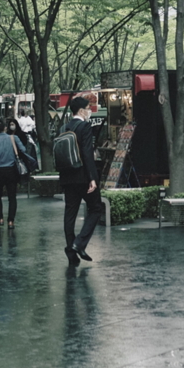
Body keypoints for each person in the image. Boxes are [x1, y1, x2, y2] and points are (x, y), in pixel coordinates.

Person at [60, 95, 103, 266]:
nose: (90, 110)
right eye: (88, 108)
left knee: (70, 214)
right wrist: (92, 178)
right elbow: (87, 153)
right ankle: (80, 242)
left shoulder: (64, 127)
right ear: (81, 111)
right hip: (83, 177)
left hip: (67, 177)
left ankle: (71, 250)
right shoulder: (84, 127)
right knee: (95, 208)